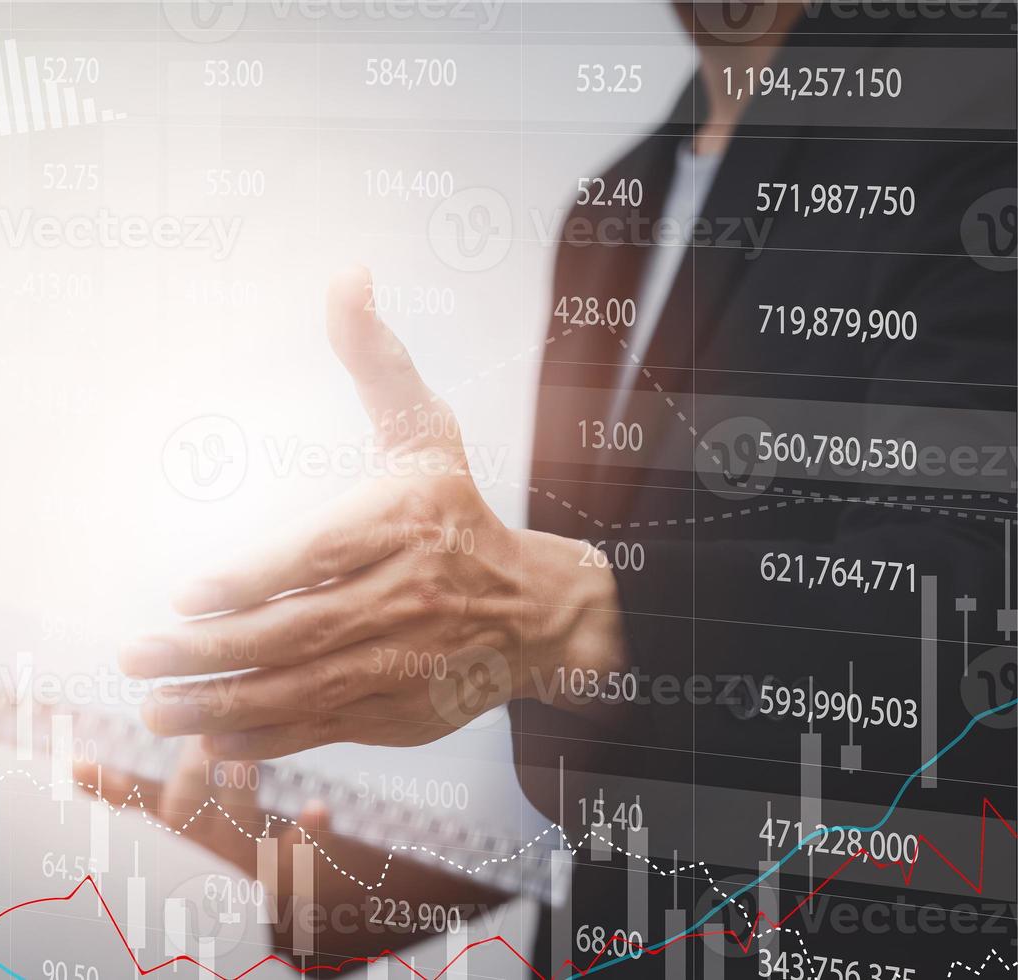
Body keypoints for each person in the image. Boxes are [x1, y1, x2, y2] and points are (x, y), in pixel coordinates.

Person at [81, 2, 1018, 977]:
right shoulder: (609, 206)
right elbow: (597, 730)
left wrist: (565, 616)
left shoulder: (981, 103)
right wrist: (384, 882)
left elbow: (968, 617)